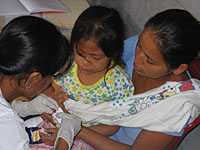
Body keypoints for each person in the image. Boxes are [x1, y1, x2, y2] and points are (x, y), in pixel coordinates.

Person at [71, 9, 200, 149]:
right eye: (140, 45)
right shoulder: (139, 46)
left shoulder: (175, 107)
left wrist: (76, 131)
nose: (137, 60)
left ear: (179, 69)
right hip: (86, 124)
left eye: (150, 61)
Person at [0, 15, 81, 150]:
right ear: (33, 79)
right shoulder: (12, 133)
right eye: (53, 75)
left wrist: (22, 108)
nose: (53, 81)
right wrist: (65, 137)